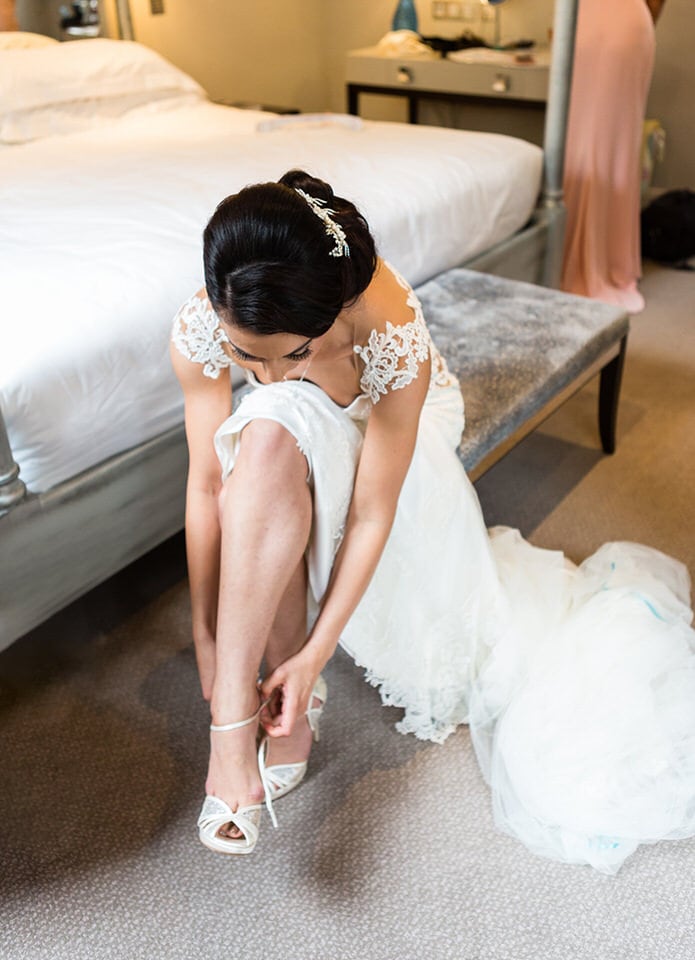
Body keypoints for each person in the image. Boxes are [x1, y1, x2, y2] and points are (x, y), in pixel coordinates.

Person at [171, 169, 695, 872]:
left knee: (265, 433)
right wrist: (204, 633)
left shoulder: (387, 333)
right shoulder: (204, 322)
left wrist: (316, 650)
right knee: (262, 444)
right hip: (281, 446)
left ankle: (247, 721)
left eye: (292, 353)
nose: (263, 375)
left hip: (400, 428)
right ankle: (245, 716)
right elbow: (206, 484)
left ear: (336, 310)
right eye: (243, 355)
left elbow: (368, 514)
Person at [561, 0, 666, 312]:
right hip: (610, 22)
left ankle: (592, 261)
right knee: (601, 145)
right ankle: (604, 259)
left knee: (605, 146)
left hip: (602, 24)